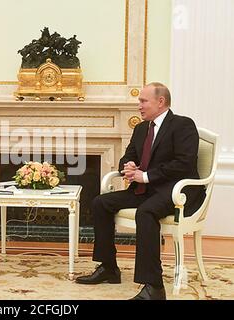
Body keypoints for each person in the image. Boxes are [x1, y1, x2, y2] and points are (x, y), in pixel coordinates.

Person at [75, 82, 205, 300]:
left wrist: (145, 175)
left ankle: (154, 287)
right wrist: (128, 166)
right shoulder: (141, 128)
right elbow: (128, 156)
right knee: (100, 202)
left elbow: (184, 163)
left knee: (146, 212)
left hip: (176, 191)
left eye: (143, 101)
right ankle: (108, 268)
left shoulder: (182, 125)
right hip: (145, 190)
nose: (139, 106)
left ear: (160, 101)